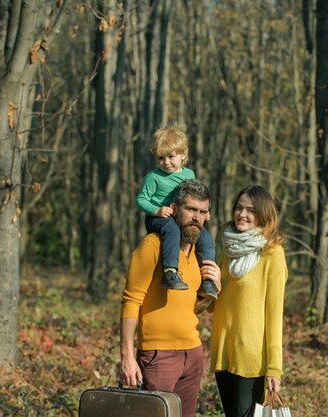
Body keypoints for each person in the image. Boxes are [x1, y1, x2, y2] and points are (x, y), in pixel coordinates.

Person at [120, 179, 222, 417]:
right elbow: (131, 300)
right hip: (158, 355)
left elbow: (199, 307)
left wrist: (216, 286)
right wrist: (126, 355)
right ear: (174, 209)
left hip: (193, 353)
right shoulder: (153, 245)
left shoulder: (201, 253)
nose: (196, 217)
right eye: (191, 210)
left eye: (203, 212)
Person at [209, 185, 288, 417]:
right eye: (239, 208)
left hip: (252, 358)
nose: (242, 214)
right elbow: (215, 304)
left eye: (251, 210)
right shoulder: (227, 247)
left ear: (264, 214)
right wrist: (211, 284)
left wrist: (274, 368)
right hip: (224, 350)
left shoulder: (272, 253)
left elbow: (274, 315)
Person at [136, 123, 218, 299]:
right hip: (158, 218)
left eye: (171, 157)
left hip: (180, 217)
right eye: (160, 158)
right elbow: (141, 199)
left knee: (205, 236)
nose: (166, 162)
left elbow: (196, 196)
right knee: (172, 229)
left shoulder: (189, 174)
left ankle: (208, 280)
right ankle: (170, 272)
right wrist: (156, 210)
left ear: (183, 155)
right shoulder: (153, 178)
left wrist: (204, 212)